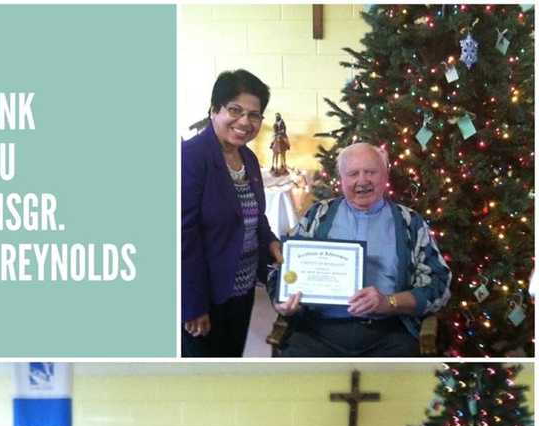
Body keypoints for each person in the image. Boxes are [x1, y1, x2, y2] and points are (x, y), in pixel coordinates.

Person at [273, 142, 451, 357]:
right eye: (353, 173)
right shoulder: (318, 216)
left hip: (388, 332)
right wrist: (284, 301)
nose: (362, 181)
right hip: (318, 330)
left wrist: (389, 302)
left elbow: (439, 284)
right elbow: (281, 270)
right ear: (341, 179)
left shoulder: (409, 222)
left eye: (371, 172)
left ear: (385, 176)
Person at [182, 68, 283, 357]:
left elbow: (255, 217)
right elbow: (182, 238)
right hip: (205, 295)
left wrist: (271, 242)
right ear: (214, 110)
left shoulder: (248, 158)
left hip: (241, 290)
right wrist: (193, 305)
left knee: (232, 358)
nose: (244, 122)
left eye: (254, 115)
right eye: (235, 110)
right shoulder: (190, 157)